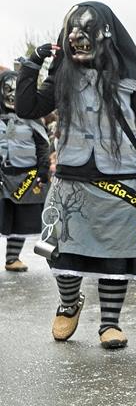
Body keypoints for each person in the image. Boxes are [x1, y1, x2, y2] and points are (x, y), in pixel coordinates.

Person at [15, 1, 136, 350]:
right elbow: (27, 108)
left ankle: (110, 323)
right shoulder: (62, 76)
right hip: (71, 180)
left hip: (124, 180)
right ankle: (69, 303)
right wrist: (32, 64)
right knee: (60, 252)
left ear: (107, 34)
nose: (78, 36)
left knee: (116, 256)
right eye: (73, 28)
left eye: (87, 28)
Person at [1, 69, 50, 271]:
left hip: (26, 178)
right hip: (3, 175)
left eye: (16, 89)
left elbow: (43, 146)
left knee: (21, 219)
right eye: (7, 89)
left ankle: (12, 258)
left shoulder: (33, 119)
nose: (12, 94)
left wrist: (43, 170)